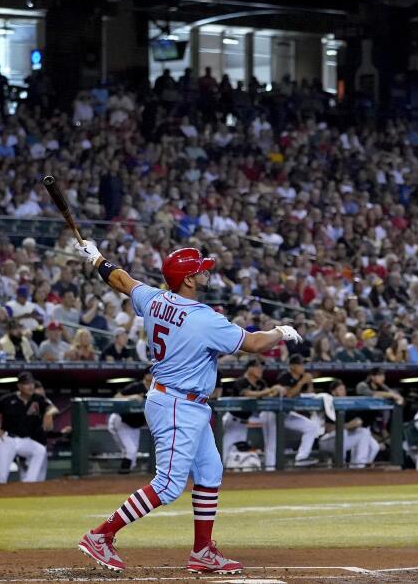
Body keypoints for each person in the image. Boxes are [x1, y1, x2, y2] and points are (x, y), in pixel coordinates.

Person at [73, 243, 301, 575]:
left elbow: (120, 280)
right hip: (178, 403)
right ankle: (101, 535)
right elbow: (255, 343)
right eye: (200, 270)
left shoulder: (153, 299)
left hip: (180, 401)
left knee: (210, 472)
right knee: (167, 485)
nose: (206, 273)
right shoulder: (203, 318)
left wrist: (96, 259)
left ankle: (202, 551)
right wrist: (281, 331)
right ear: (189, 280)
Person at [0, 371, 55, 483]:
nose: (30, 386)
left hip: (25, 440)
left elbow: (52, 408)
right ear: (19, 386)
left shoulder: (37, 399)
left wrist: (48, 413)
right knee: (1, 477)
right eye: (26, 383)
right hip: (7, 439)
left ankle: (30, 481)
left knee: (40, 450)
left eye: (31, 383)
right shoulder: (8, 399)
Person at [221, 359, 283, 469]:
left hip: (244, 423)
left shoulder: (261, 383)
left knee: (237, 450)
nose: (261, 370)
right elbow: (248, 394)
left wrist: (276, 390)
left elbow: (268, 395)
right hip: (232, 421)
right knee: (224, 451)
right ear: (250, 368)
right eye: (258, 367)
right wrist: (269, 391)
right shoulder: (241, 381)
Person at [319, 379, 380, 468]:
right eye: (340, 389)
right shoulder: (328, 404)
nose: (343, 392)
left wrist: (351, 426)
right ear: (333, 392)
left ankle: (358, 466)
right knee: (343, 433)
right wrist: (347, 426)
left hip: (342, 439)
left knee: (364, 433)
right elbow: (328, 428)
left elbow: (357, 423)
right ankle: (340, 465)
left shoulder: (348, 406)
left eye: (344, 389)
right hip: (326, 441)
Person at [275, 356, 321, 466]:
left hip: (286, 414)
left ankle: (301, 458)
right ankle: (268, 473)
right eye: (300, 364)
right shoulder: (284, 376)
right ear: (292, 366)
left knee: (312, 427)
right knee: (271, 446)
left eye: (303, 364)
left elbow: (310, 395)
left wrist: (309, 383)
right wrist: (302, 382)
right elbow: (289, 394)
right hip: (273, 413)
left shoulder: (301, 377)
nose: (303, 367)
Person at [107, 373, 151, 473]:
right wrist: (133, 396)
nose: (153, 375)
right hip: (122, 421)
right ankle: (122, 476)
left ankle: (125, 481)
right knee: (130, 450)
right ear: (146, 375)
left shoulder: (156, 388)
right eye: (150, 373)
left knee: (133, 456)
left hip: (135, 425)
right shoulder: (136, 386)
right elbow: (116, 397)